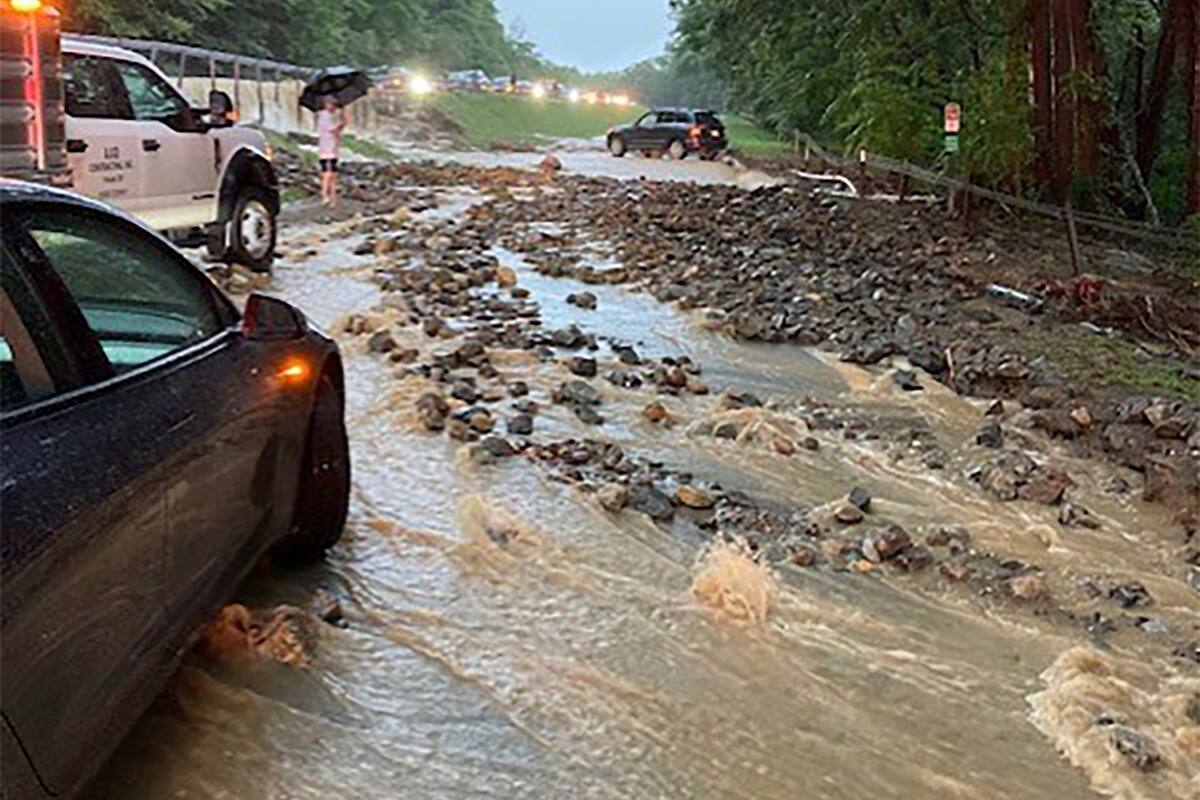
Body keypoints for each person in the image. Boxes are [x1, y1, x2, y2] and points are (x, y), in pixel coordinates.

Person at [316, 97, 346, 207]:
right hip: (326, 148)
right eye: (332, 105)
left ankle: (333, 198)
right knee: (327, 174)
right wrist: (341, 124)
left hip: (332, 148)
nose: (333, 107)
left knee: (333, 174)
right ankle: (324, 195)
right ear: (326, 104)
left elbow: (336, 132)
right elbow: (332, 129)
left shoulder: (331, 116)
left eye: (335, 105)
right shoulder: (323, 115)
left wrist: (341, 126)